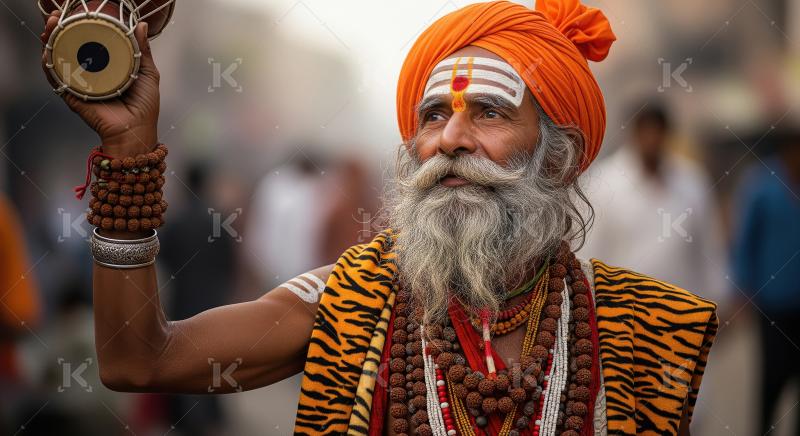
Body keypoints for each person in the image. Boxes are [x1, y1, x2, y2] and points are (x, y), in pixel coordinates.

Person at [41, 1, 718, 435]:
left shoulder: (640, 328)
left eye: (487, 112)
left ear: (559, 157)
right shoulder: (351, 297)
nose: (450, 139)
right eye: (432, 116)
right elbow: (140, 360)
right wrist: (127, 152)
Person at [581, 103, 728, 305]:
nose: (651, 139)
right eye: (645, 131)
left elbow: (710, 246)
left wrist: (719, 296)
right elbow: (589, 248)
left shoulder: (691, 181)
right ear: (633, 134)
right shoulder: (605, 184)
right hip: (622, 311)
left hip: (683, 310)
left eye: (657, 131)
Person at [730, 130, 800, 436]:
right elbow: (745, 241)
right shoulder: (762, 185)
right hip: (773, 304)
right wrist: (742, 289)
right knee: (772, 378)